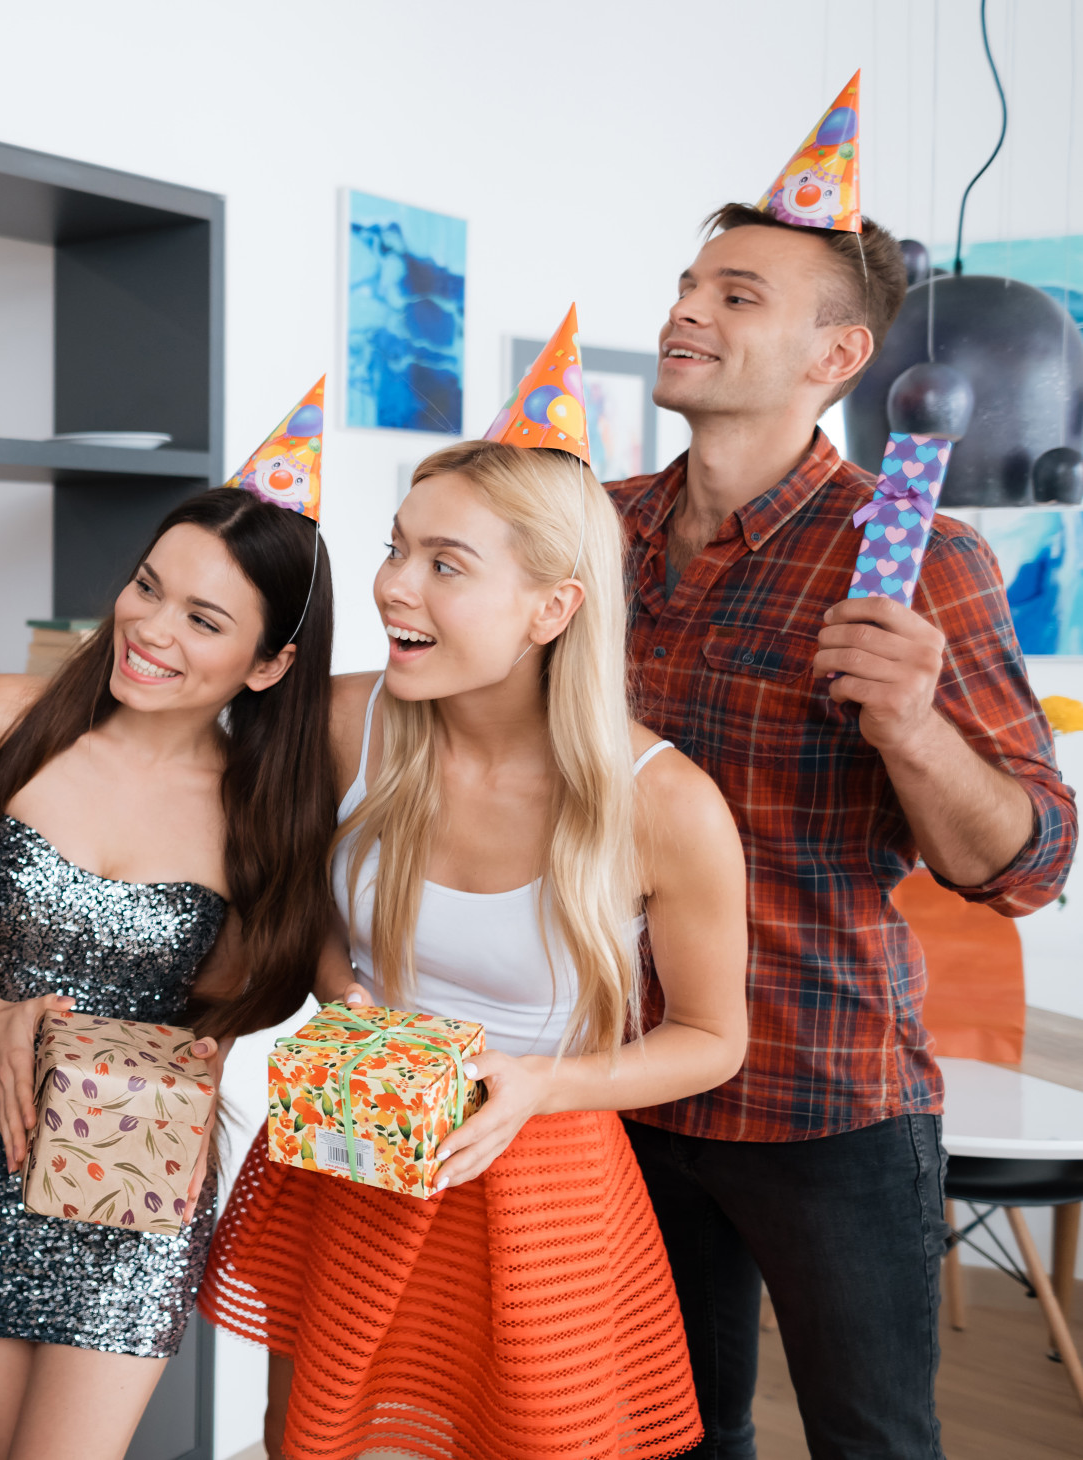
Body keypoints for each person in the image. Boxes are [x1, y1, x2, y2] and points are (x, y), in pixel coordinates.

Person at [614, 197, 1075, 1453]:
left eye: (736, 295)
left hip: (824, 1100)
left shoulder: (918, 555)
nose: (686, 310)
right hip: (616, 1085)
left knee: (872, 1439)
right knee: (666, 1437)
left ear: (836, 358)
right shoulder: (591, 537)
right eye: (688, 283)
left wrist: (916, 728)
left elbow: (1028, 862)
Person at [198, 436, 752, 1460]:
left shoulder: (666, 803)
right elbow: (305, 910)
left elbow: (713, 1039)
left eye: (444, 565)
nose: (392, 587)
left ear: (552, 608)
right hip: (350, 1159)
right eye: (396, 549)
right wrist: (341, 989)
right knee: (311, 1442)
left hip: (537, 1185)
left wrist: (543, 1084)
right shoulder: (340, 720)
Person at [0, 480, 340, 1460]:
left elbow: (232, 1008)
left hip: (130, 1178)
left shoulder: (262, 818)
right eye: (147, 587)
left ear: (270, 662)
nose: (151, 628)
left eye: (203, 619)